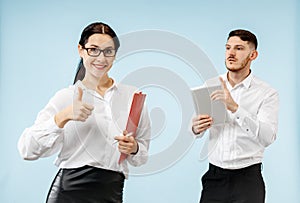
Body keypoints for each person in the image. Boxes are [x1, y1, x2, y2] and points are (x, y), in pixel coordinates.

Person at [18, 22, 151, 203]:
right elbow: (27, 149)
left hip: (112, 192)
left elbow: (141, 155)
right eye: (93, 50)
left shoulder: (132, 96)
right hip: (69, 192)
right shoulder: (66, 97)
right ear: (81, 50)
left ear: (115, 55)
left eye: (108, 51)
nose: (101, 58)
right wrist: (62, 117)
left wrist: (133, 148)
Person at [192, 29, 279, 203]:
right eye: (228, 48)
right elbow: (197, 127)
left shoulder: (267, 93)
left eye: (239, 48)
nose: (231, 53)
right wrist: (195, 128)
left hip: (247, 180)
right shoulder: (211, 85)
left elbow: (268, 137)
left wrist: (235, 108)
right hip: (214, 178)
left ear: (253, 55)